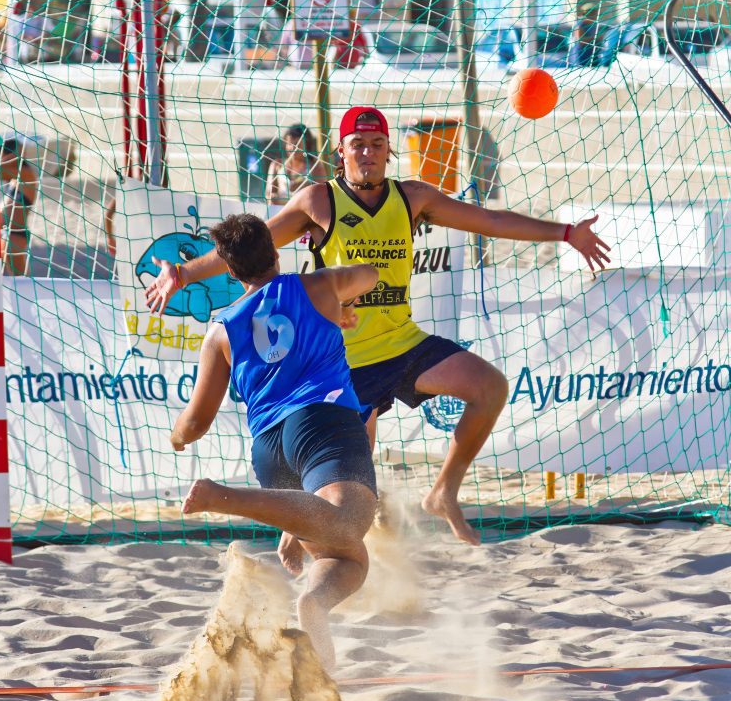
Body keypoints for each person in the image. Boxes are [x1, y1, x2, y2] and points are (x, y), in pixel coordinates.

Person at [149, 106, 611, 550]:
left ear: (389, 150)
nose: (367, 152)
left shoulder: (413, 197)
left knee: (489, 386)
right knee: (347, 500)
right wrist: (185, 273)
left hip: (402, 342)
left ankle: (442, 493)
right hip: (342, 363)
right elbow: (253, 243)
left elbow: (488, 220)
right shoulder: (318, 200)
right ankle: (295, 543)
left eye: (376, 144)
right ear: (341, 153)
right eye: (358, 144)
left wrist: (567, 232)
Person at [171, 212, 379, 670]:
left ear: (230, 270)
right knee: (349, 529)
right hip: (322, 421)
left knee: (344, 555)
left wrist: (176, 437)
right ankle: (226, 497)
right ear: (277, 250)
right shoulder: (318, 287)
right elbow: (370, 274)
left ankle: (315, 611)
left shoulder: (221, 330)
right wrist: (338, 301)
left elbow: (195, 423)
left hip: (269, 447)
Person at [0, 138, 40, 276]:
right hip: (5, 234)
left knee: (21, 281)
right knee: (3, 280)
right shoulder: (13, 181)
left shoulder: (26, 174)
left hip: (16, 234)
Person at [265, 123, 325, 205]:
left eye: (297, 143)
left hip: (305, 214)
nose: (292, 148)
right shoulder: (277, 165)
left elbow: (322, 195)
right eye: (289, 143)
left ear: (307, 144)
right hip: (279, 212)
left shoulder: (315, 166)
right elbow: (269, 195)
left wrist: (305, 185)